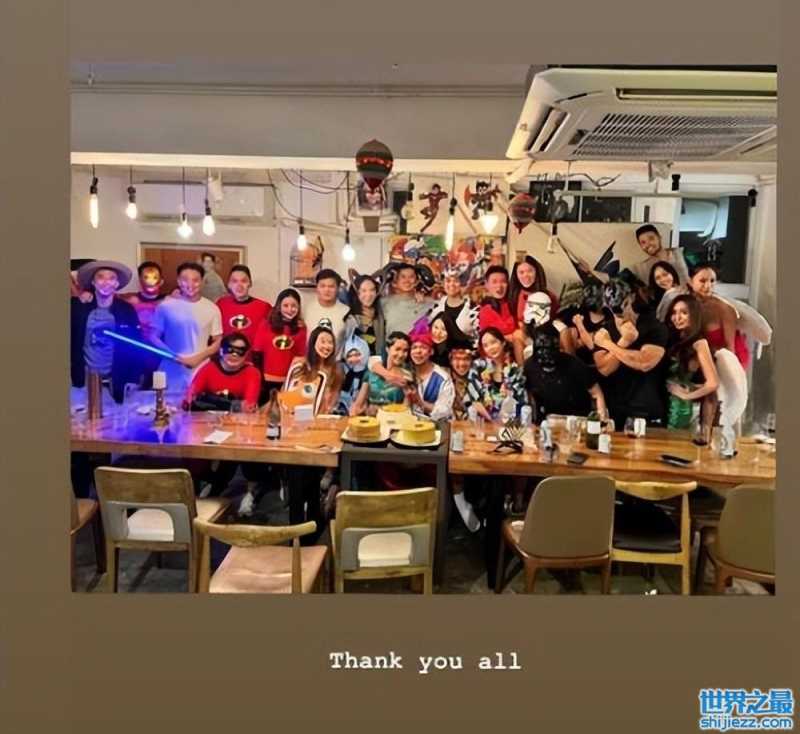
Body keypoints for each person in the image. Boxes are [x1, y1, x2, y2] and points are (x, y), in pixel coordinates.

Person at [592, 276, 669, 427]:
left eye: (624, 304)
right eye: (614, 308)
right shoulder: (605, 330)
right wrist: (625, 341)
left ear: (632, 297)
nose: (620, 312)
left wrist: (609, 344)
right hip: (615, 409)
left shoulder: (653, 326)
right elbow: (604, 369)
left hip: (646, 411)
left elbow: (644, 362)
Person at [70, 260, 143, 403]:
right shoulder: (77, 307)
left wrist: (133, 378)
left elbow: (136, 345)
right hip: (84, 381)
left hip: (117, 380)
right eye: (101, 277)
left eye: (111, 278)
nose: (106, 282)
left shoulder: (127, 310)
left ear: (117, 284)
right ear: (93, 282)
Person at [150, 262, 223, 397]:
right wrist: (175, 357)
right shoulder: (165, 307)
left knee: (198, 405)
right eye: (185, 280)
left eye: (195, 280)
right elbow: (153, 336)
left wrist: (197, 358)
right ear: (178, 281)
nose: (190, 284)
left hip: (201, 368)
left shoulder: (212, 308)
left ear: (202, 282)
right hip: (171, 368)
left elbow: (218, 340)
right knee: (167, 405)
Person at [523, 324, 608, 423]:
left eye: (548, 348)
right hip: (545, 422)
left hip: (575, 420)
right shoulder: (530, 366)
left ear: (557, 347)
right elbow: (528, 396)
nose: (544, 354)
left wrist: (601, 421)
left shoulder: (574, 365)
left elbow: (597, 394)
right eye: (540, 349)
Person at [664, 294, 720, 434]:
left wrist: (686, 395)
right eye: (674, 312)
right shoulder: (674, 339)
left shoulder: (700, 343)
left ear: (694, 315)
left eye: (684, 313)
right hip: (666, 405)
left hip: (681, 409)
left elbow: (712, 383)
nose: (677, 317)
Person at [687, 262, 751, 369]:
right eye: (702, 281)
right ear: (690, 281)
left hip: (732, 358)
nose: (708, 285)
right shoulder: (686, 304)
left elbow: (730, 349)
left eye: (712, 281)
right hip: (704, 357)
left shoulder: (724, 308)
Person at [252, 288, 307, 398]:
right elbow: (257, 353)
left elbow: (300, 357)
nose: (290, 309)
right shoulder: (266, 324)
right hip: (266, 381)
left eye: (294, 306)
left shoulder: (301, 328)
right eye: (285, 306)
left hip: (288, 381)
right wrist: (259, 379)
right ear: (279, 306)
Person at [463, 327, 527, 422]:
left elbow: (521, 400)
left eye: (493, 342)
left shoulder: (514, 370)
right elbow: (474, 398)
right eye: (486, 345)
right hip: (482, 420)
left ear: (503, 343)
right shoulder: (478, 366)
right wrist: (491, 421)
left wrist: (509, 395)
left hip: (509, 422)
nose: (491, 348)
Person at [284, 324, 343, 416]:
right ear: (313, 343)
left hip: (320, 418)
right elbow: (287, 390)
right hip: (293, 415)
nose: (327, 346)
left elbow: (332, 400)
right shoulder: (299, 364)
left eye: (330, 342)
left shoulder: (336, 370)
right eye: (323, 341)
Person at [350, 332, 412, 416]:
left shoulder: (407, 376)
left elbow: (406, 409)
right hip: (370, 421)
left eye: (405, 350)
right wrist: (356, 414)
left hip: (395, 420)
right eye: (397, 349)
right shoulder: (371, 373)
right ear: (387, 349)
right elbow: (358, 405)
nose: (401, 354)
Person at [405, 323, 454, 421]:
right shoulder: (405, 372)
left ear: (431, 351)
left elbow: (445, 412)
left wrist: (420, 402)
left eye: (423, 347)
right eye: (414, 347)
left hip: (433, 426)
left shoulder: (442, 378)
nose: (418, 351)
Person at [478, 265, 526, 365]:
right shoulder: (485, 309)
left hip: (517, 345)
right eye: (494, 282)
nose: (499, 286)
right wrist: (511, 336)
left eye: (503, 281)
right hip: (496, 350)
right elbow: (487, 338)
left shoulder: (513, 302)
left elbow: (522, 326)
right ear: (487, 285)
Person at [216, 264, 271, 345]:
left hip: (254, 353)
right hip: (226, 352)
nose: (239, 285)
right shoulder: (221, 305)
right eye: (235, 281)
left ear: (250, 283)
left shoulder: (264, 307)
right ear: (229, 285)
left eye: (244, 281)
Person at [302, 269, 349, 352]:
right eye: (322, 286)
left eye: (331, 286)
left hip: (336, 359)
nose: (327, 290)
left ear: (338, 288)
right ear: (317, 288)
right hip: (309, 358)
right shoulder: (305, 309)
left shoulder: (347, 312)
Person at [426, 266, 479, 340]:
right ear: (443, 284)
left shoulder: (473, 309)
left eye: (456, 281)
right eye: (448, 281)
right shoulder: (435, 308)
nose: (452, 284)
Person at [380, 264, 433, 336]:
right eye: (403, 277)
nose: (407, 281)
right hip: (391, 342)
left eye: (411, 277)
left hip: (416, 343)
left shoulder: (427, 303)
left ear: (417, 281)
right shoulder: (383, 303)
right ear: (395, 282)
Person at [508, 255, 559, 328]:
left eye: (530, 271)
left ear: (537, 272)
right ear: (516, 275)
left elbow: (555, 320)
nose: (526, 275)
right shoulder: (512, 295)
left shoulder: (549, 296)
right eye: (521, 272)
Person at [343, 273, 385, 357]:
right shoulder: (350, 318)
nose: (368, 295)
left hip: (379, 361)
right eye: (363, 291)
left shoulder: (381, 314)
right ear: (356, 293)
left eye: (372, 290)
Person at [335, 333, 371, 416]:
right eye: (349, 356)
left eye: (357, 355)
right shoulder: (345, 371)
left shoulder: (369, 373)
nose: (353, 359)